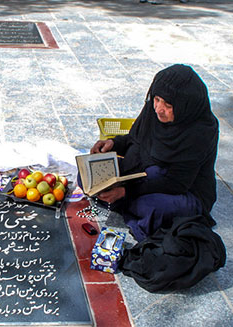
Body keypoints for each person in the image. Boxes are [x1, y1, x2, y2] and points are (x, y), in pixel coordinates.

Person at [88, 64, 219, 242]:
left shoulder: (200, 131)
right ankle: (122, 200)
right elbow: (135, 138)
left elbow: (176, 183)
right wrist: (113, 143)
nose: (158, 109)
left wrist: (126, 192)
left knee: (152, 208)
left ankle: (122, 201)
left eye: (168, 105)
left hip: (180, 190)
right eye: (157, 99)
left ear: (185, 106)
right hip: (142, 175)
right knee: (88, 175)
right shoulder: (153, 110)